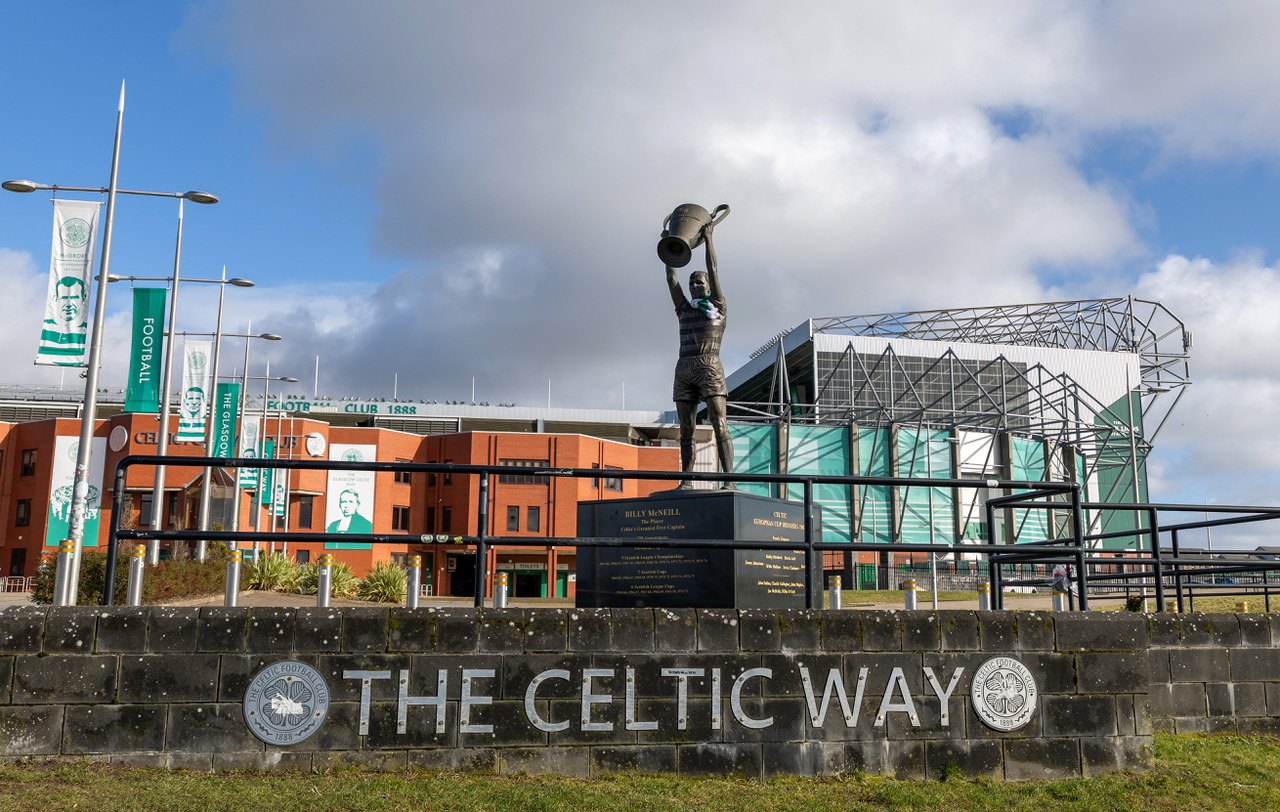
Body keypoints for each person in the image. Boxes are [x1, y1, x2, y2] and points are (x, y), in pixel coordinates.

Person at [665, 221, 733, 488]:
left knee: (719, 422)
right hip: (684, 367)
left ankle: (729, 480)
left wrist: (709, 239)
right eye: (692, 281)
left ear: (707, 286)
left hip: (709, 366)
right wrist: (670, 246)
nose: (694, 284)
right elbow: (672, 279)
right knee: (686, 428)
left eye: (698, 280)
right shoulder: (683, 308)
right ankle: (686, 481)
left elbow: (714, 269)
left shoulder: (718, 307)